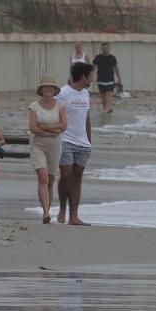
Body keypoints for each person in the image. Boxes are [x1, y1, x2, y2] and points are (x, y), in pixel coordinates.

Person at [56, 62, 93, 226]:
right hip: (65, 140)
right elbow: (55, 114)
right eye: (91, 75)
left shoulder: (86, 94)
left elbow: (86, 118)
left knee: (77, 177)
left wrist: (89, 141)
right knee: (66, 174)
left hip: (83, 143)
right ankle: (63, 207)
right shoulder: (63, 93)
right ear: (83, 76)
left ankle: (74, 216)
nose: (93, 78)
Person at [29, 76, 67, 224]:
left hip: (55, 146)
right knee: (43, 177)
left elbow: (63, 126)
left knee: (50, 180)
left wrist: (44, 127)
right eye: (45, 88)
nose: (48, 90)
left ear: (54, 90)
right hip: (38, 145)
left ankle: (48, 209)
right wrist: (52, 129)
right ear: (41, 90)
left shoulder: (60, 105)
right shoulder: (34, 106)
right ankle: (45, 212)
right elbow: (33, 128)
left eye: (50, 88)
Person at [93, 43, 122, 114]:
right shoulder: (98, 57)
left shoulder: (112, 58)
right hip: (100, 80)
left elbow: (116, 68)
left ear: (108, 48)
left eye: (106, 48)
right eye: (103, 48)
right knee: (103, 95)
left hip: (110, 80)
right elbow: (93, 68)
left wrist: (119, 78)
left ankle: (108, 109)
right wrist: (90, 77)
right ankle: (105, 109)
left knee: (109, 94)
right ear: (101, 49)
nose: (104, 49)